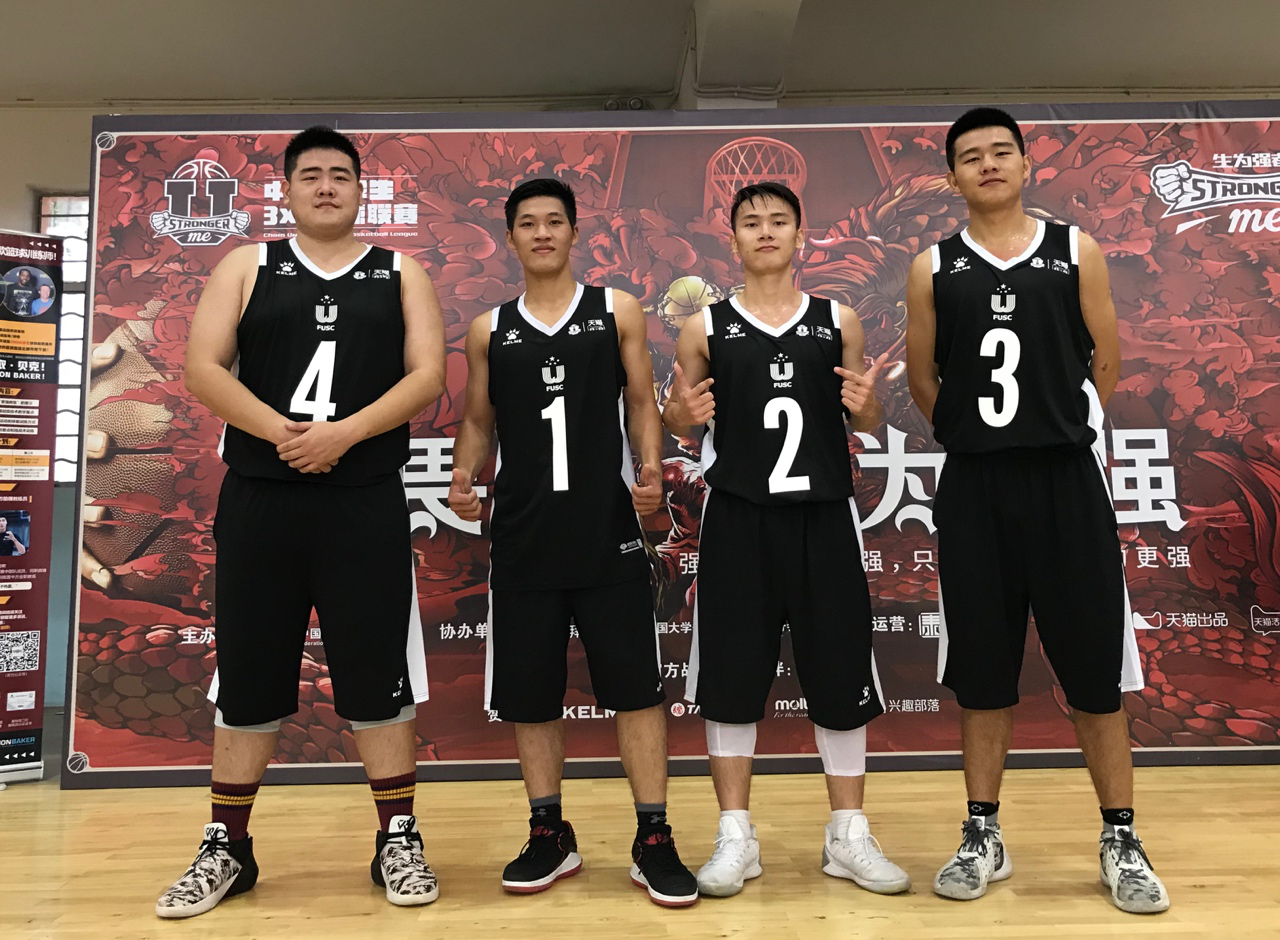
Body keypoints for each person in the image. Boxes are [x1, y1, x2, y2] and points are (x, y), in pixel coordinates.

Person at [156, 126, 446, 918]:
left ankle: (397, 838)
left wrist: (343, 435)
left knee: (376, 674)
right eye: (310, 175)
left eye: (340, 175)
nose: (325, 186)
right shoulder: (246, 265)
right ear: (285, 189)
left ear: (360, 190)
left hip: (363, 498)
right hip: (262, 498)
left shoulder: (400, 272)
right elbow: (202, 368)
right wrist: (286, 434)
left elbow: (428, 375)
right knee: (250, 674)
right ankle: (228, 846)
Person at [904, 107, 1170, 914]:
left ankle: (1121, 837)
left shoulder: (1074, 250)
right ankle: (982, 831)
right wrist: (980, 439)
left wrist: (1055, 428)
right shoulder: (932, 267)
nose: (987, 164)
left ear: (1026, 165)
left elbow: (1105, 360)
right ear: (951, 177)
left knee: (1092, 671)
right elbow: (924, 379)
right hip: (977, 489)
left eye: (1000, 152)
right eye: (970, 156)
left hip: (1065, 483)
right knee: (983, 672)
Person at [447, 177, 698, 907]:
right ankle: (549, 832)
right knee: (531, 695)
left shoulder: (615, 309)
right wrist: (464, 474)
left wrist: (649, 468)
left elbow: (642, 401)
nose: (542, 233)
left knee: (636, 690)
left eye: (554, 221)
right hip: (524, 534)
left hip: (605, 529)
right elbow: (477, 421)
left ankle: (653, 837)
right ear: (511, 238)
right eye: (527, 223)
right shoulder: (490, 329)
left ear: (574, 231)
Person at [663, 181, 909, 899]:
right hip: (739, 518)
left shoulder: (838, 320)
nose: (765, 231)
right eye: (751, 222)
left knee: (839, 670)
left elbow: (863, 422)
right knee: (731, 677)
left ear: (801, 236)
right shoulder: (704, 328)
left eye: (779, 221)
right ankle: (735, 835)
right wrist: (679, 412)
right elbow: (682, 421)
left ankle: (848, 835)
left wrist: (870, 409)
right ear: (732, 239)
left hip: (823, 516)